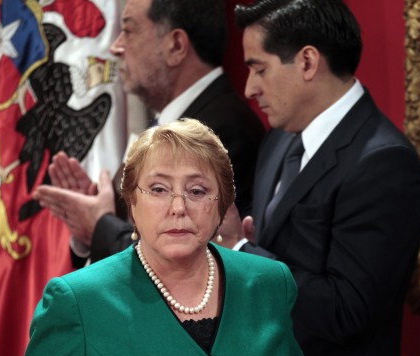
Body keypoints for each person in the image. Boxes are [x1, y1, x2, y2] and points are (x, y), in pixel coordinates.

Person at [12, 119, 339, 356]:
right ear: (132, 202)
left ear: (222, 206)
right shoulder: (77, 303)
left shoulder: (268, 283)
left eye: (197, 191)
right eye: (158, 189)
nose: (178, 207)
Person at [219, 1, 420, 356]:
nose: (249, 89)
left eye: (258, 68)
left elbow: (348, 310)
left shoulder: (385, 163)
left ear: (308, 61)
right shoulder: (280, 138)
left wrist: (243, 252)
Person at [34, 0, 265, 268]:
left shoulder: (221, 132)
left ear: (176, 46)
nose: (116, 47)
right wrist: (94, 214)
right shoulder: (174, 121)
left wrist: (98, 225)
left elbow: (179, 260)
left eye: (129, 31)